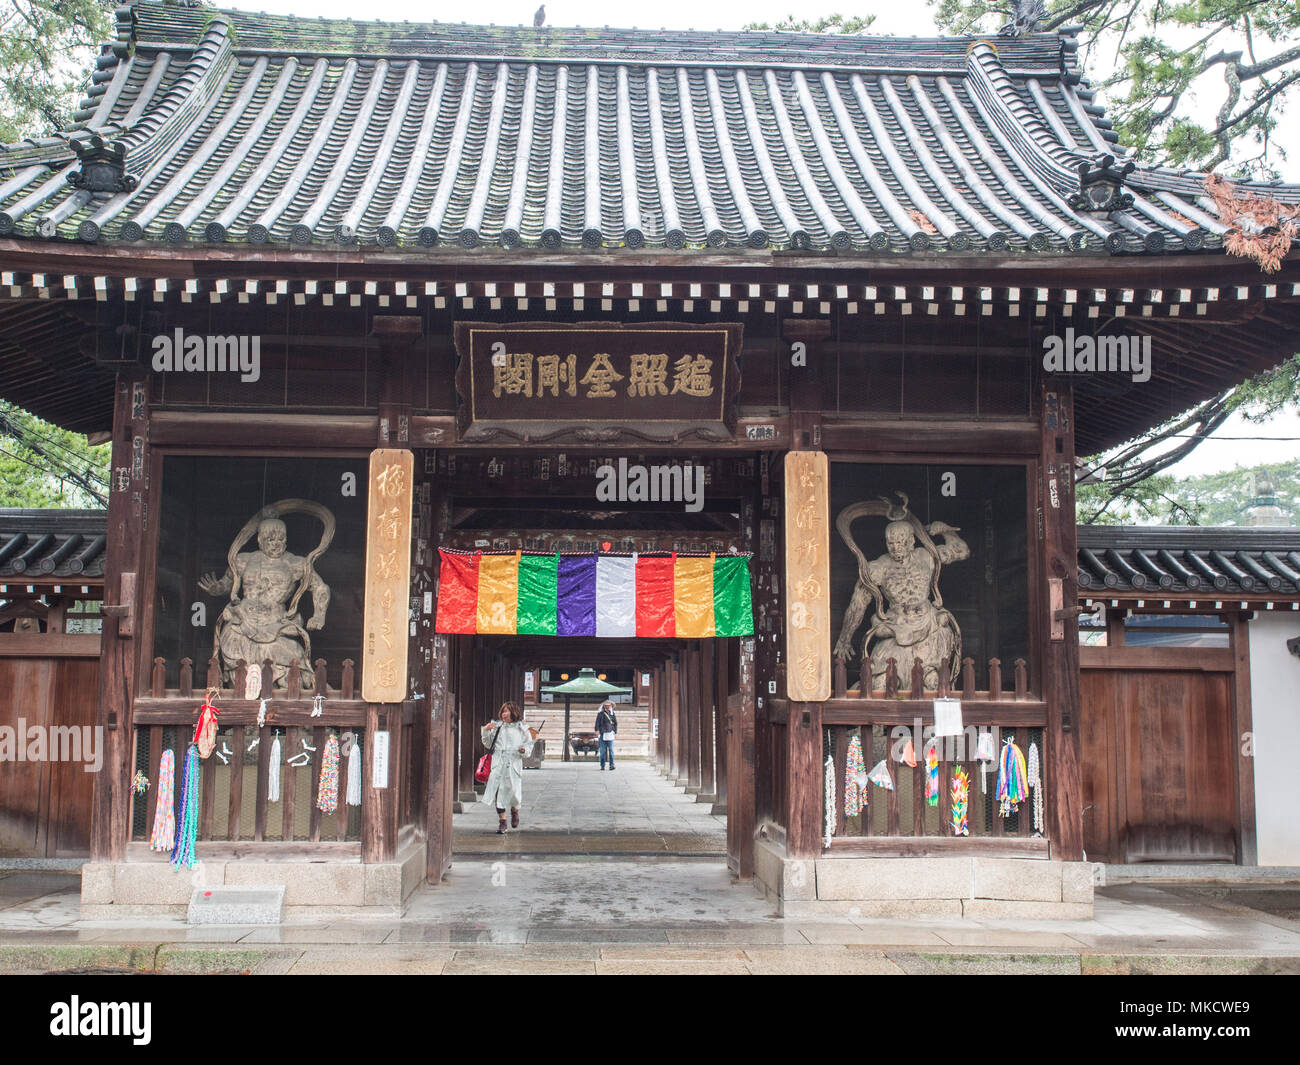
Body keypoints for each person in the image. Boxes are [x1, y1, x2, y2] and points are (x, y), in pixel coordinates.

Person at [480, 702, 540, 833]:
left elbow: (529, 744)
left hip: (513, 763)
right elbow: (488, 743)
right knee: (498, 792)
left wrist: (524, 750)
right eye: (502, 711)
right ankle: (502, 822)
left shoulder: (522, 728)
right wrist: (486, 730)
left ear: (514, 713)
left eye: (506, 711)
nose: (504, 714)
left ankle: (514, 810)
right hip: (498, 762)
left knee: (514, 792)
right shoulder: (497, 727)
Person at [594, 699, 618, 771]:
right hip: (602, 733)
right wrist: (597, 730)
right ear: (604, 706)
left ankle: (611, 765)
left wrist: (614, 731)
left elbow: (615, 723)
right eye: (606, 706)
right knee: (602, 751)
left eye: (609, 706)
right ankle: (602, 765)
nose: (608, 707)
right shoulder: (600, 714)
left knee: (611, 750)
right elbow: (597, 723)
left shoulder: (612, 714)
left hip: (610, 733)